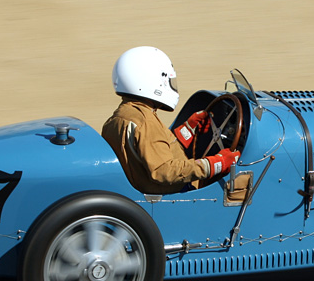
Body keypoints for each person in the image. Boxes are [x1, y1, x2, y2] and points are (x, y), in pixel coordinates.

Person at [101, 46, 240, 194]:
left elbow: (150, 151)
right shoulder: (145, 121)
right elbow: (164, 171)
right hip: (170, 197)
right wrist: (215, 164)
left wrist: (186, 132)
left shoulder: (120, 117)